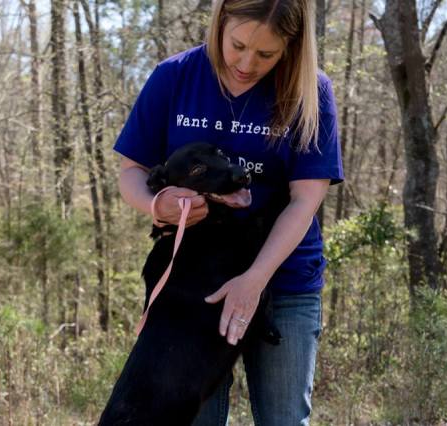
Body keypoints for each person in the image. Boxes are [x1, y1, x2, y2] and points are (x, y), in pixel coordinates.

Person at [113, 0, 343, 424]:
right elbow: (132, 172)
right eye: (237, 45)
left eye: (266, 54)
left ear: (291, 47)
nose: (246, 64)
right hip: (191, 290)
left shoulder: (311, 92)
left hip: (283, 283)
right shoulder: (174, 76)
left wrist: (254, 280)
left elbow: (305, 200)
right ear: (220, 22)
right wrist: (155, 204)